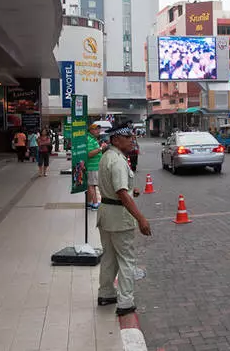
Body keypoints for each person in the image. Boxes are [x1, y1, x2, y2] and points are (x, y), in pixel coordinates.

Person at [97, 124, 151, 316]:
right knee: (127, 259)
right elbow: (121, 192)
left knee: (109, 257)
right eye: (127, 137)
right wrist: (141, 218)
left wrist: (130, 190)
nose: (131, 140)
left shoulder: (107, 157)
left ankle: (105, 293)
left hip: (106, 214)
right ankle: (125, 302)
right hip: (119, 217)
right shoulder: (118, 161)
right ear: (115, 140)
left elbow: (117, 189)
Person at [87, 123, 107, 210]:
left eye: (98, 129)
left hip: (94, 166)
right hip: (92, 166)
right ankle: (95, 204)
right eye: (95, 129)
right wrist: (100, 148)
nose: (98, 131)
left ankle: (89, 202)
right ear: (90, 130)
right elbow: (89, 154)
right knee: (92, 185)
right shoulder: (89, 139)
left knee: (91, 184)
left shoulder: (93, 139)